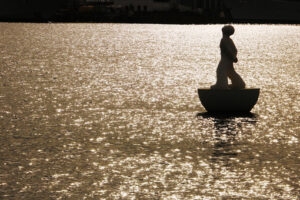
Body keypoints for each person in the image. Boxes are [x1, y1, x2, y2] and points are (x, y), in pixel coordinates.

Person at [211, 25, 246, 90]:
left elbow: (226, 50)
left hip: (225, 60)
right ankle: (239, 84)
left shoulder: (223, 40)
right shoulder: (230, 40)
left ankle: (221, 85)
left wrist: (232, 57)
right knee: (230, 71)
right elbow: (234, 50)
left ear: (223, 32)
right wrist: (234, 57)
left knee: (221, 71)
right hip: (229, 60)